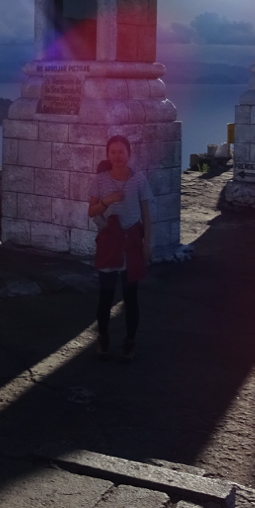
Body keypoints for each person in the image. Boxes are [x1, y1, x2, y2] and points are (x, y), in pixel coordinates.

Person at [88, 135, 152, 361]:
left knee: (130, 296)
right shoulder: (99, 180)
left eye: (121, 151)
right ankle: (103, 339)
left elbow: (146, 213)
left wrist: (148, 243)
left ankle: (129, 343)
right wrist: (109, 200)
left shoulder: (139, 180)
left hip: (132, 242)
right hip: (109, 241)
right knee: (105, 295)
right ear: (107, 155)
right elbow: (92, 211)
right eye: (113, 152)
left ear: (129, 154)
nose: (117, 156)